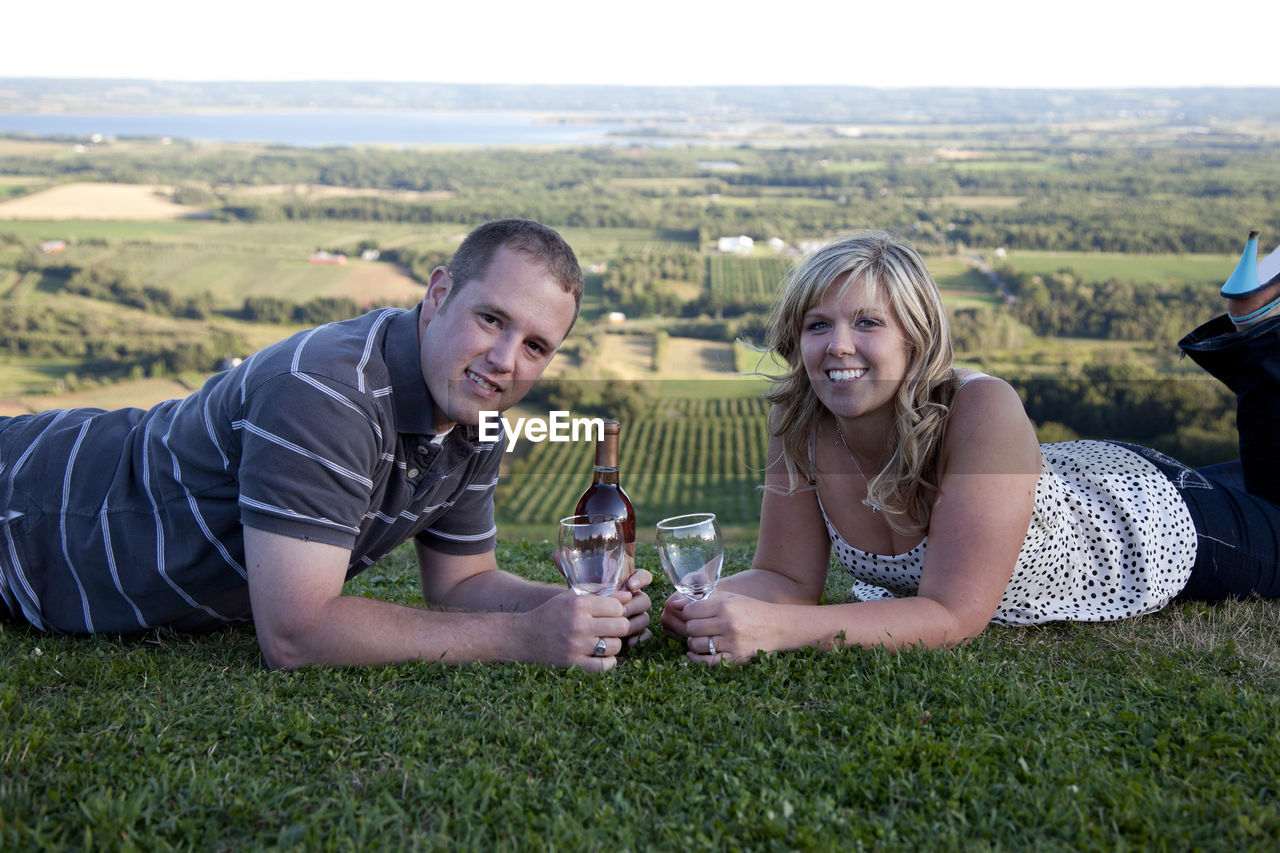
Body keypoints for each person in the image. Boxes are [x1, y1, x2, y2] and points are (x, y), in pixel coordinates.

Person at [0, 218, 651, 671]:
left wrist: (583, 612)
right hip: (28, 514)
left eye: (536, 345)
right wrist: (521, 638)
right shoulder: (328, 391)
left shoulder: (476, 423)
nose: (506, 359)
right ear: (439, 292)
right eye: (491, 318)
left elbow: (463, 581)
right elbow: (296, 633)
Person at [662, 229, 1280, 663]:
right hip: (1061, 480)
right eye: (818, 325)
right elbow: (784, 578)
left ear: (916, 339)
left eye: (868, 323)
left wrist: (783, 631)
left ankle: (1259, 328)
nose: (838, 346)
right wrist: (701, 604)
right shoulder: (798, 419)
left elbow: (953, 616)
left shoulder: (980, 405)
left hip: (1147, 520)